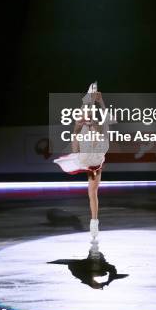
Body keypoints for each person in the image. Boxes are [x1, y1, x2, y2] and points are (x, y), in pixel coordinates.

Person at [53, 83, 112, 240]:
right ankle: (89, 97)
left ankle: (94, 222)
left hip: (93, 159)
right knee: (92, 193)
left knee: (92, 193)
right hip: (86, 158)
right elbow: (76, 141)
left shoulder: (100, 134)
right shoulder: (86, 129)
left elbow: (106, 121)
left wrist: (100, 101)